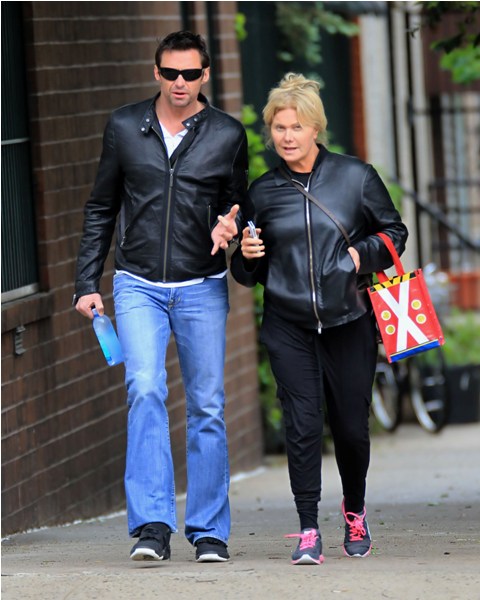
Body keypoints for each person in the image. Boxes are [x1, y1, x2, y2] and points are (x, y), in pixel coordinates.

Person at [74, 31, 249, 564]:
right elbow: (101, 206)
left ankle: (209, 531)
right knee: (146, 388)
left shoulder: (226, 133)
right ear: (156, 72)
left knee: (207, 405)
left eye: (190, 74)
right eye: (170, 73)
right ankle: (152, 525)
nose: (179, 83)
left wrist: (232, 226)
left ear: (205, 75)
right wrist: (86, 282)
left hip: (201, 285)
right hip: (137, 284)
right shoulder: (126, 126)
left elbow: (239, 205)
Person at [231, 73, 408, 565]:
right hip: (288, 325)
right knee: (303, 425)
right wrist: (245, 255)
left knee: (350, 427)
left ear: (316, 129)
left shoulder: (356, 177)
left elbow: (395, 232)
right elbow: (247, 273)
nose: (287, 137)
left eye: (297, 127)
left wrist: (359, 255)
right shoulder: (262, 193)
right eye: (279, 127)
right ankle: (308, 526)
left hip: (349, 320)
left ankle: (355, 510)